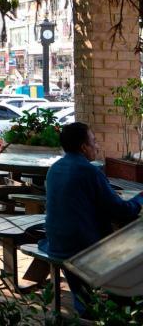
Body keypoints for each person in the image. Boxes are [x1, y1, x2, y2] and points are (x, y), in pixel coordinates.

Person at [40, 122, 143, 315]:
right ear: (84, 147)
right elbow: (122, 211)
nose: (97, 146)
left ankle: (89, 306)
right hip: (81, 250)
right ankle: (118, 308)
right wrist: (140, 198)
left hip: (55, 244)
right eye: (94, 141)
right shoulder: (88, 171)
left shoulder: (55, 168)